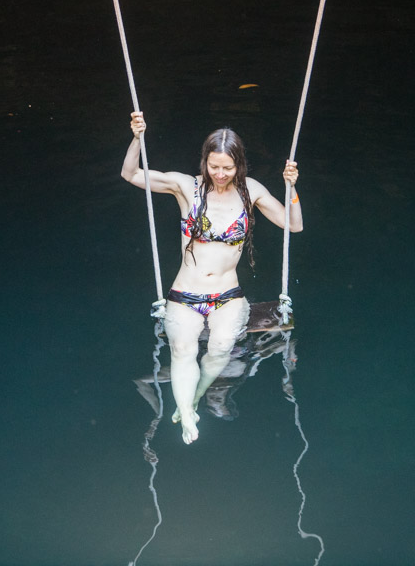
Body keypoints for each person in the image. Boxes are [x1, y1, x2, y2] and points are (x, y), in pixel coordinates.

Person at [122, 111, 302, 444]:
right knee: (182, 348)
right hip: (184, 293)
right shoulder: (184, 186)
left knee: (220, 348)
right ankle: (187, 410)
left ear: (240, 165)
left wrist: (291, 188)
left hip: (228, 295)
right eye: (213, 166)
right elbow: (130, 174)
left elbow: (294, 224)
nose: (220, 174)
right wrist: (137, 138)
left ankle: (191, 402)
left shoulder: (251, 191)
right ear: (204, 161)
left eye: (228, 168)